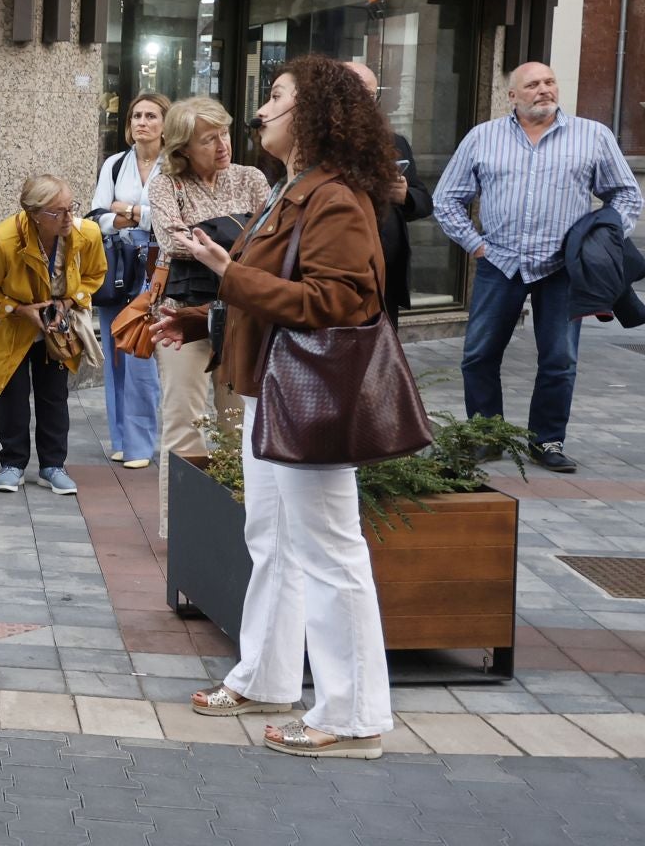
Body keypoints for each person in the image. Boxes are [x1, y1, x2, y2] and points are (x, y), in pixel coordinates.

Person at [156, 54, 396, 759]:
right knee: (275, 541)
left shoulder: (334, 198)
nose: (262, 112)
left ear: (315, 115)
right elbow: (273, 291)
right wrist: (206, 318)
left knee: (329, 552)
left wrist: (230, 278)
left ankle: (352, 717)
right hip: (274, 385)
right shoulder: (297, 188)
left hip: (309, 397)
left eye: (276, 99)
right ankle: (267, 676)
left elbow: (343, 303)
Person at [433, 61, 640, 473]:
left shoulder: (592, 136)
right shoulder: (482, 137)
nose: (544, 90)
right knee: (478, 355)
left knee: (560, 359)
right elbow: (446, 198)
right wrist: (476, 247)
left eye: (549, 82)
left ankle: (546, 441)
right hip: (499, 263)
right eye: (532, 85)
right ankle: (484, 437)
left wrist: (602, 243)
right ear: (513, 96)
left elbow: (627, 196)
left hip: (562, 270)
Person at [147, 96, 270, 535]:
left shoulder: (251, 177)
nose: (222, 145)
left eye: (224, 133)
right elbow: (173, 241)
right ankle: (180, 529)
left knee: (238, 423)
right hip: (183, 315)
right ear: (183, 148)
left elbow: (271, 242)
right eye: (208, 139)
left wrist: (211, 240)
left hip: (240, 315)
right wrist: (237, 232)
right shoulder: (167, 184)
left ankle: (239, 523)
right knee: (184, 420)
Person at [0, 175, 105, 496]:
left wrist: (69, 302)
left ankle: (52, 466)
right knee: (13, 395)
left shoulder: (86, 234)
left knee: (54, 395)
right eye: (58, 212)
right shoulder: (2, 241)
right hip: (10, 327)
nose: (68, 218)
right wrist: (20, 310)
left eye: (71, 208)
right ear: (34, 214)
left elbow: (95, 274)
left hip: (56, 327)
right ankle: (13, 464)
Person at [91, 92, 170, 471]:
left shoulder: (174, 165)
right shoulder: (114, 164)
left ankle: (141, 443)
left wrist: (131, 211)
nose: (142, 122)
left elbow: (169, 218)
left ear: (165, 124)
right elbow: (97, 215)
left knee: (140, 352)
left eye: (151, 115)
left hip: (156, 264)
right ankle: (120, 438)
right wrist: (132, 216)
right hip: (117, 264)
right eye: (136, 115)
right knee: (115, 353)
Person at [344, 63, 431, 322]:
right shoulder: (315, 143)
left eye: (369, 95)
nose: (362, 101)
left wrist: (404, 196)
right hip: (344, 270)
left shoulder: (395, 143)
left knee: (383, 352)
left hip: (386, 277)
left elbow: (424, 201)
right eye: (354, 91)